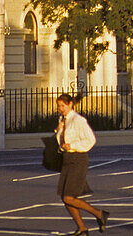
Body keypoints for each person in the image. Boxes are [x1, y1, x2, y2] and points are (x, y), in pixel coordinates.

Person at [55, 93, 109, 235]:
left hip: (78, 159)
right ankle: (82, 228)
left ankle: (100, 214)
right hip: (67, 160)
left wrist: (72, 145)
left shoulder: (78, 120)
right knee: (65, 198)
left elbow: (91, 140)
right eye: (59, 106)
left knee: (68, 197)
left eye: (63, 105)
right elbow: (61, 143)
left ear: (70, 104)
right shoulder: (63, 120)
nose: (61, 108)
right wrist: (59, 131)